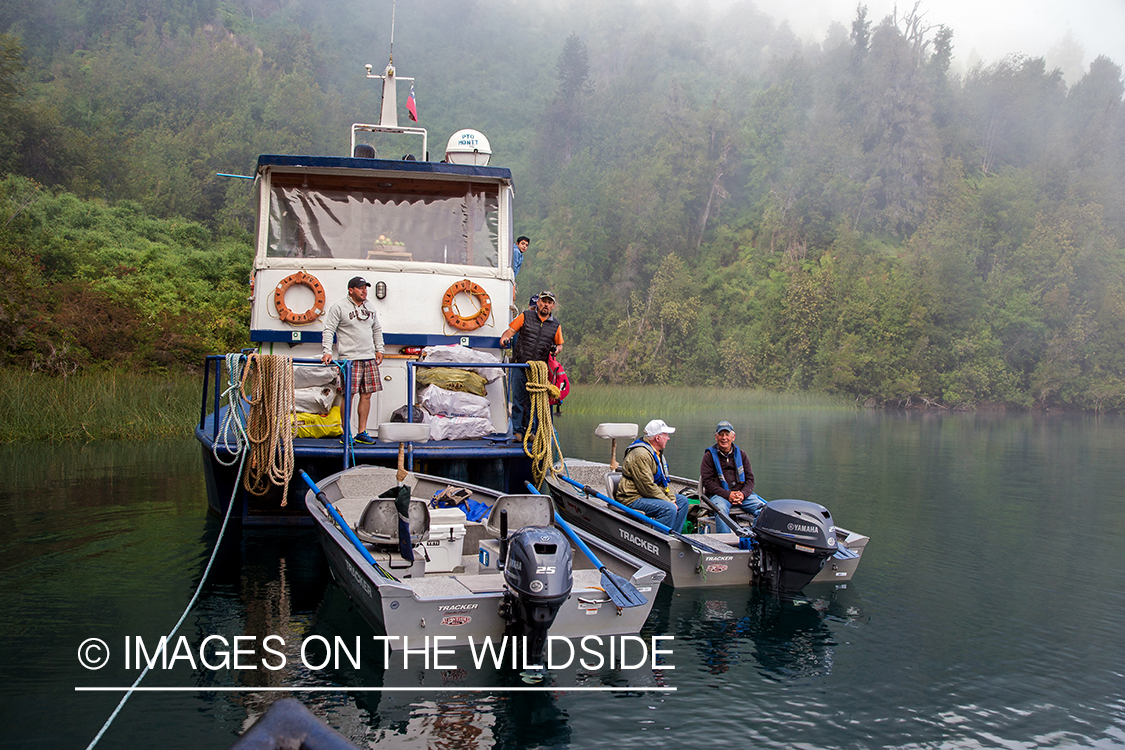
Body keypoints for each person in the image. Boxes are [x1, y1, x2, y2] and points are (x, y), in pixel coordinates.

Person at [321, 276, 385, 444]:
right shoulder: (339, 307)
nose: (364, 291)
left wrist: (380, 349)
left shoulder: (370, 307)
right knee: (348, 395)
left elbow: (376, 329)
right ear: (351, 290)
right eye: (360, 288)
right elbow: (329, 330)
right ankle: (346, 432)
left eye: (365, 288)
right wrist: (327, 352)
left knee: (367, 395)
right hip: (349, 359)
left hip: (369, 358)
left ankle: (362, 432)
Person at [499, 290, 563, 439]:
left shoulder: (555, 325)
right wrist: (505, 339)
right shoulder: (525, 316)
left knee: (533, 401)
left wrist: (556, 350)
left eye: (549, 302)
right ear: (538, 303)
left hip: (538, 369)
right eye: (543, 301)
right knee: (518, 400)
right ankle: (517, 432)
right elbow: (510, 331)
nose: (546, 305)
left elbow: (559, 345)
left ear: (552, 305)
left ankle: (531, 431)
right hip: (520, 365)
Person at [615, 419, 692, 533]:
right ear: (657, 438)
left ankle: (675, 536)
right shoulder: (640, 454)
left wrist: (671, 498)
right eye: (666, 436)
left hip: (645, 495)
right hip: (633, 497)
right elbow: (647, 487)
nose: (668, 438)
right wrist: (669, 502)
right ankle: (658, 540)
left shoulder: (656, 452)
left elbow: (665, 481)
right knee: (669, 509)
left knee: (683, 501)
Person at [700, 420, 765, 532]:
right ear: (716, 437)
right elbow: (708, 483)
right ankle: (726, 544)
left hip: (741, 494)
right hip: (719, 495)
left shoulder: (742, 455)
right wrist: (728, 494)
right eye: (721, 435)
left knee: (764, 510)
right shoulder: (709, 456)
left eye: (727, 434)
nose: (724, 438)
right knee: (720, 510)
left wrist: (743, 494)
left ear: (733, 437)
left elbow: (750, 480)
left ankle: (753, 539)